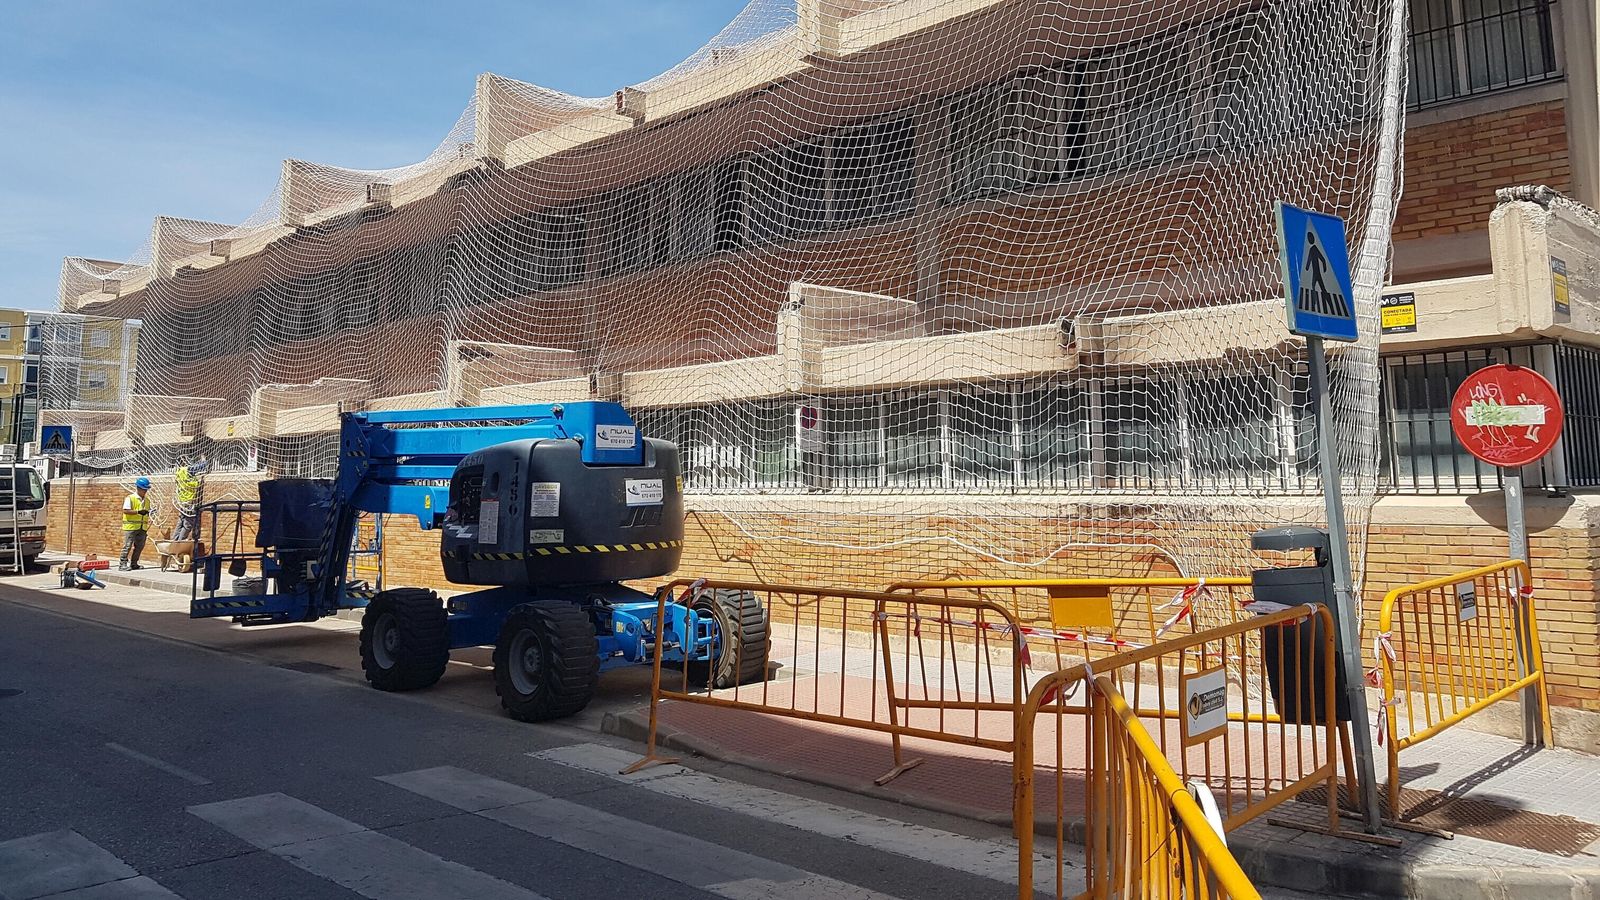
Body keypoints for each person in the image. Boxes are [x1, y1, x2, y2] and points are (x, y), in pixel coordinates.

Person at [171, 454, 209, 542]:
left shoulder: (179, 472)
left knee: (181, 522)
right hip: (189, 501)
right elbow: (202, 466)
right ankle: (180, 542)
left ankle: (174, 541)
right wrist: (203, 459)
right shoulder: (187, 470)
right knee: (188, 525)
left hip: (182, 501)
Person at [119, 477, 152, 571]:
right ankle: (122, 564)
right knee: (127, 546)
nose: (145, 491)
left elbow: (146, 512)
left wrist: (149, 513)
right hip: (131, 526)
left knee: (139, 546)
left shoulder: (147, 500)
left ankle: (134, 563)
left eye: (146, 489)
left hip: (142, 527)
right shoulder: (130, 498)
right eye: (144, 489)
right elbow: (126, 510)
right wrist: (138, 512)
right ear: (138, 488)